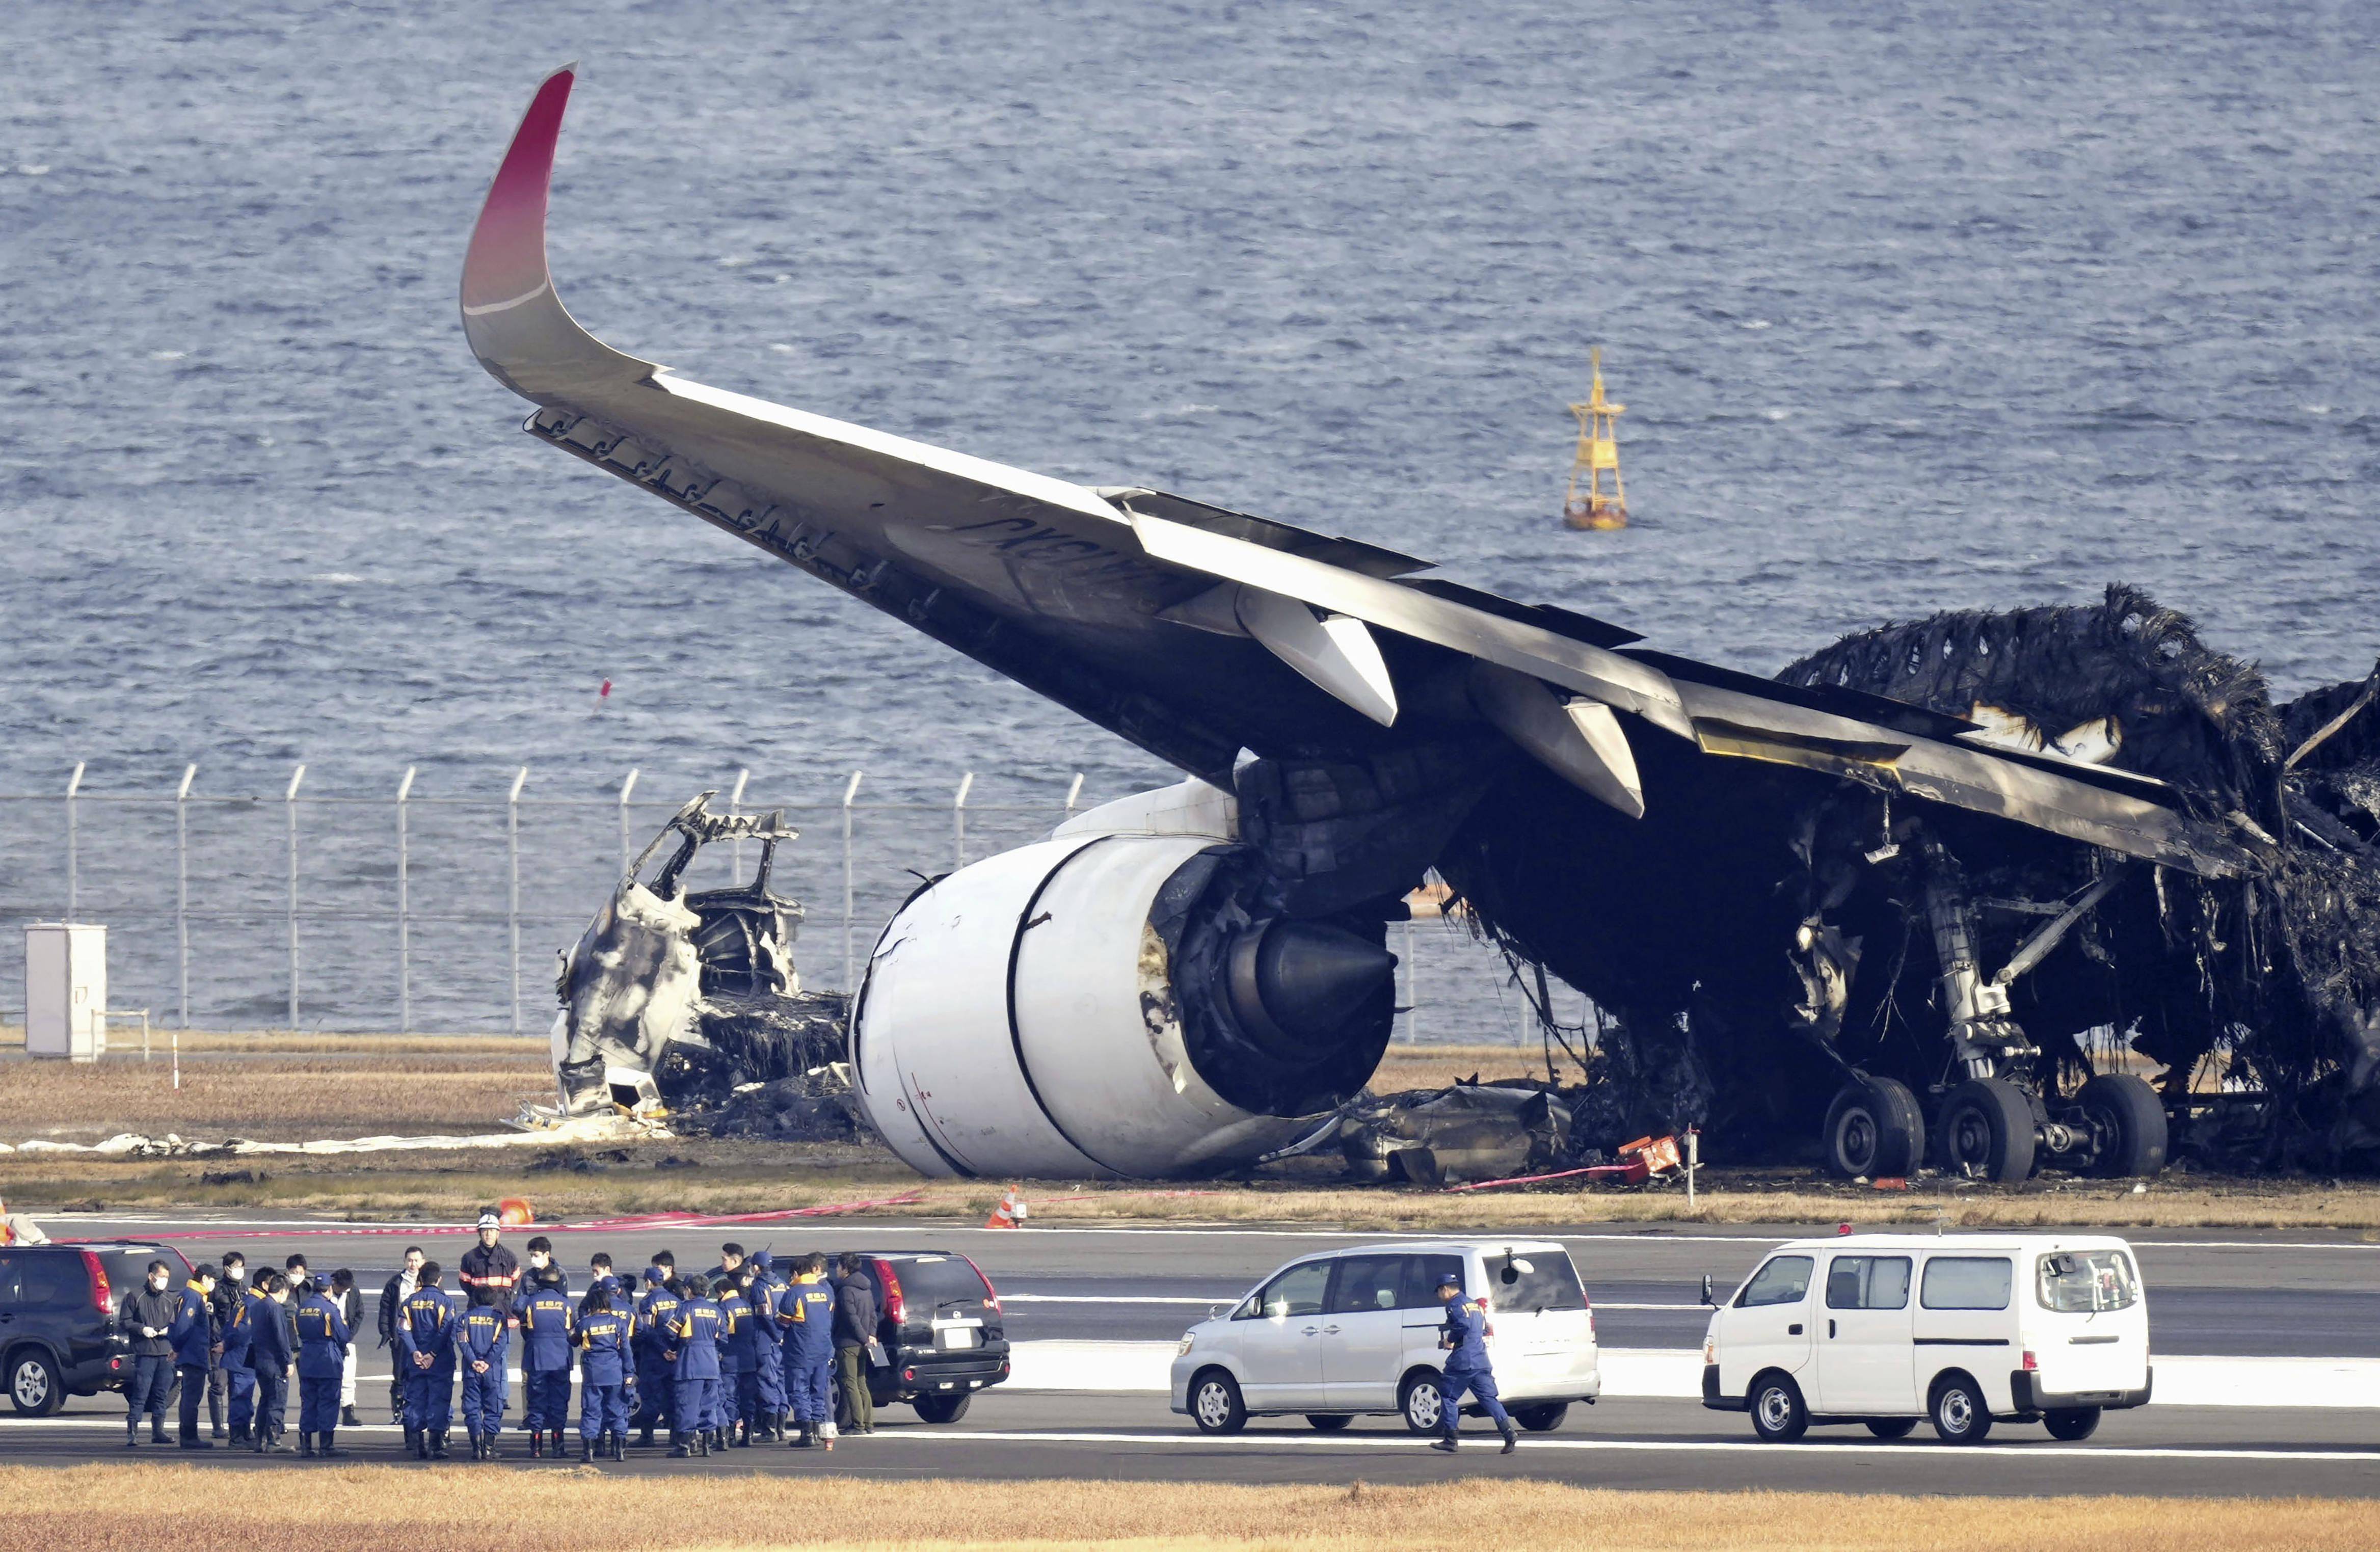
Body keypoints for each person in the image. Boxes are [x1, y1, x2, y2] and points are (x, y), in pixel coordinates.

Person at [1431, 1270, 1517, 1455]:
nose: (1439, 1297)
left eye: (1439, 1292)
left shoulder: (1454, 1305)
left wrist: (1451, 1340)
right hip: (1480, 1359)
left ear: (1445, 1289)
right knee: (1488, 1398)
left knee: (1448, 1397)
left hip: (1463, 1361)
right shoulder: (1474, 1305)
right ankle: (1509, 1434)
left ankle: (1450, 1439)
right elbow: (1482, 1329)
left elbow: (1462, 1326)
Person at [397, 1261, 458, 1460]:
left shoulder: (409, 1303)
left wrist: (415, 1352)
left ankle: (418, 1446)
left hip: (415, 1361)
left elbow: (402, 1330)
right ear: (439, 1280)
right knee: (438, 1401)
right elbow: (446, 1331)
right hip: (440, 1361)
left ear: (420, 1280)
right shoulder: (446, 1303)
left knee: (415, 1400)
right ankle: (436, 1446)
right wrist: (432, 1354)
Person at [779, 1253, 837, 1450]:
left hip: (800, 1351)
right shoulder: (825, 1292)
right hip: (823, 1351)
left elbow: (783, 1323)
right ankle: (818, 1428)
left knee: (798, 1390)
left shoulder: (794, 1293)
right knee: (818, 1391)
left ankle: (806, 1432)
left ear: (795, 1273)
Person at [663, 1271, 723, 1459]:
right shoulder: (716, 1311)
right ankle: (707, 1445)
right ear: (706, 1292)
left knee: (687, 1405)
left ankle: (684, 1446)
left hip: (690, 1362)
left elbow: (671, 1333)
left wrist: (674, 1349)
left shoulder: (685, 1309)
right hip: (712, 1363)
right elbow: (723, 1338)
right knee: (709, 1405)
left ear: (689, 1290)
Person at [293, 1275, 353, 1458]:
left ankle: (306, 1445)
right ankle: (326, 1446)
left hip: (308, 1358)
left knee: (309, 1401)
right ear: (328, 1289)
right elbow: (344, 1335)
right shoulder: (330, 1309)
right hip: (327, 1359)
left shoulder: (302, 1308)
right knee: (329, 1401)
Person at [573, 1284, 633, 1462]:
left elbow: (573, 1340)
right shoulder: (618, 1323)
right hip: (615, 1371)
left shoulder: (585, 1323)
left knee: (592, 1411)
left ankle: (589, 1452)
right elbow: (626, 1350)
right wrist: (629, 1372)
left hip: (593, 1373)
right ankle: (620, 1451)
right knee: (618, 1410)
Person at [122, 1260, 180, 1447]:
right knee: (141, 1393)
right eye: (161, 1277)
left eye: (166, 1278)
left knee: (162, 1394)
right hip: (145, 1353)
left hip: (165, 1353)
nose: (164, 1281)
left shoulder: (170, 1299)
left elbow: (177, 1323)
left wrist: (168, 1331)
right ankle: (133, 1431)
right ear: (151, 1276)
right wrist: (142, 1329)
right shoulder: (135, 1296)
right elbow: (125, 1321)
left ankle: (158, 1431)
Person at [519, 1268, 576, 1458]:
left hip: (537, 1357)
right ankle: (558, 1447)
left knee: (536, 1401)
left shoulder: (531, 1302)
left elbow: (525, 1330)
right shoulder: (566, 1304)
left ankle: (536, 1447)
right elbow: (572, 1329)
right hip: (560, 1358)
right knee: (559, 1401)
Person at [169, 1262, 222, 1449]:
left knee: (190, 1396)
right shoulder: (193, 1297)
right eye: (213, 1279)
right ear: (205, 1278)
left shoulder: (188, 1295)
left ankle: (189, 1434)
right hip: (193, 1354)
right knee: (192, 1397)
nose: (213, 1283)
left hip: (192, 1353)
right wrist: (178, 1347)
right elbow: (183, 1326)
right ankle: (189, 1436)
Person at [456, 1285, 511, 1461]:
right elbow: (501, 1343)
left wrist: (474, 1361)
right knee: (493, 1409)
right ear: (494, 1300)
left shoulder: (464, 1319)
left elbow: (462, 1343)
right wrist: (487, 1362)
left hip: (471, 1370)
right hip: (492, 1370)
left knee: (472, 1409)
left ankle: (476, 1448)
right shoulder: (499, 1319)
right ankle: (489, 1448)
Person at [630, 1263, 682, 1447]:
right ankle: (675, 1436)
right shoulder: (676, 1300)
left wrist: (662, 1350)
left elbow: (647, 1331)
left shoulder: (648, 1302)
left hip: (654, 1356)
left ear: (649, 1282)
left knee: (650, 1396)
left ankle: (647, 1435)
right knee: (672, 1396)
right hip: (674, 1355)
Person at [247, 1272, 296, 1454]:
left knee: (265, 1400)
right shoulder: (275, 1309)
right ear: (283, 1291)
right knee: (277, 1401)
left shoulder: (258, 1306)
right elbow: (281, 1337)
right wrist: (288, 1361)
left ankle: (260, 1440)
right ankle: (274, 1441)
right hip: (275, 1362)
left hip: (260, 1360)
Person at [736, 1264, 785, 1442]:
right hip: (779, 1342)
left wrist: (775, 1335)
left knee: (766, 1383)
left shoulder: (760, 1287)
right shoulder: (782, 1283)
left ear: (756, 1267)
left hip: (765, 1341)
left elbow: (764, 1315)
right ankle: (780, 1427)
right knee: (779, 1382)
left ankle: (769, 1430)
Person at [379, 1245, 426, 1424]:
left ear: (423, 1262)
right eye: (410, 1260)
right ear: (405, 1262)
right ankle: (398, 1413)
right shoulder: (395, 1283)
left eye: (416, 1260)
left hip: (422, 1337)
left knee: (421, 1373)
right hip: (400, 1336)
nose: (413, 1264)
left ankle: (419, 1411)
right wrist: (386, 1331)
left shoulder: (429, 1282)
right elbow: (385, 1308)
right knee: (399, 1375)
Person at [832, 1253, 877, 1437]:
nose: (836, 1270)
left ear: (846, 1269)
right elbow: (873, 1315)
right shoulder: (866, 1289)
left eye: (839, 1266)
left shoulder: (845, 1291)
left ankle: (858, 1425)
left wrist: (862, 1338)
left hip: (848, 1343)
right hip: (865, 1343)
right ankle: (868, 1423)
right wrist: (871, 1336)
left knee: (850, 1383)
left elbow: (851, 1319)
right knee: (861, 1382)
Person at [206, 1252, 247, 1439]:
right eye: (236, 1266)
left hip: (238, 1344)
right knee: (218, 1385)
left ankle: (236, 1425)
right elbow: (210, 1318)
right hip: (219, 1342)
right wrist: (216, 1340)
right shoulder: (216, 1290)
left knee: (236, 1386)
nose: (239, 1270)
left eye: (241, 1266)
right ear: (227, 1268)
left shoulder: (245, 1289)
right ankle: (218, 1426)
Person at [218, 1261, 257, 1447]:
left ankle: (245, 1432)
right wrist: (227, 1344)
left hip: (241, 1357)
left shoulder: (244, 1298)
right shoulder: (253, 1303)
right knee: (240, 1397)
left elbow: (229, 1327)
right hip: (242, 1357)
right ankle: (237, 1436)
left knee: (245, 1398)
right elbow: (241, 1332)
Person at [459, 1210, 522, 1316]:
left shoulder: (510, 1257)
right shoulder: (469, 1258)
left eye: (492, 1231)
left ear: (498, 1234)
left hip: (503, 1310)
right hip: (477, 1311)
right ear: (480, 1233)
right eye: (485, 1231)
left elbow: (515, 1281)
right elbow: (465, 1283)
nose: (488, 1234)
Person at [714, 1271, 751, 1448]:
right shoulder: (747, 1305)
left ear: (721, 1293)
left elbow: (721, 1335)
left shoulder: (724, 1308)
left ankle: (729, 1437)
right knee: (747, 1398)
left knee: (729, 1397)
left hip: (730, 1358)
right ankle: (748, 1435)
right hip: (749, 1358)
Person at [330, 1269, 365, 1427]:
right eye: (342, 1288)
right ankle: (327, 1411)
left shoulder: (354, 1291)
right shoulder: (325, 1291)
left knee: (349, 1378)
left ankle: (348, 1411)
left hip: (347, 1340)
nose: (344, 1291)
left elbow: (359, 1313)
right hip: (328, 1342)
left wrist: (350, 1335)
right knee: (328, 1379)